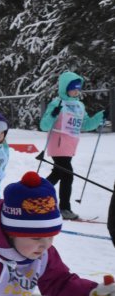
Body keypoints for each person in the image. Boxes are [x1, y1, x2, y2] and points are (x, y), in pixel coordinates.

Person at [39, 72, 106, 220]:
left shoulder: (79, 105)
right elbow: (44, 125)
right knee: (67, 175)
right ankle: (64, 208)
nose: (76, 91)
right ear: (65, 89)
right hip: (58, 145)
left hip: (70, 146)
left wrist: (99, 117)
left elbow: (86, 125)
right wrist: (52, 115)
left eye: (78, 88)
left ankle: (36, 193)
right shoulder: (57, 103)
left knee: (57, 174)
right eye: (73, 88)